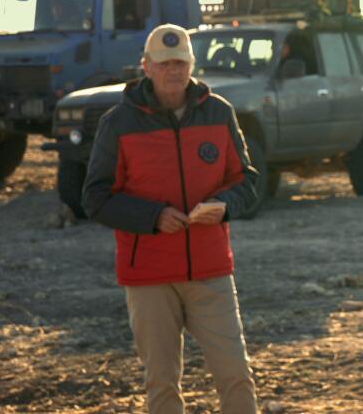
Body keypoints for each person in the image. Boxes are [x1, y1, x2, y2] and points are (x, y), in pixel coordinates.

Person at [82, 24, 261, 414]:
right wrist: (153, 217)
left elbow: (247, 181)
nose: (173, 70)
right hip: (148, 276)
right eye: (164, 63)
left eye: (181, 62)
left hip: (211, 270)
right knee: (161, 384)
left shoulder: (219, 113)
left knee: (235, 373)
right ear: (146, 67)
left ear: (192, 65)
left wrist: (224, 205)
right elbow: (94, 198)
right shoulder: (118, 122)